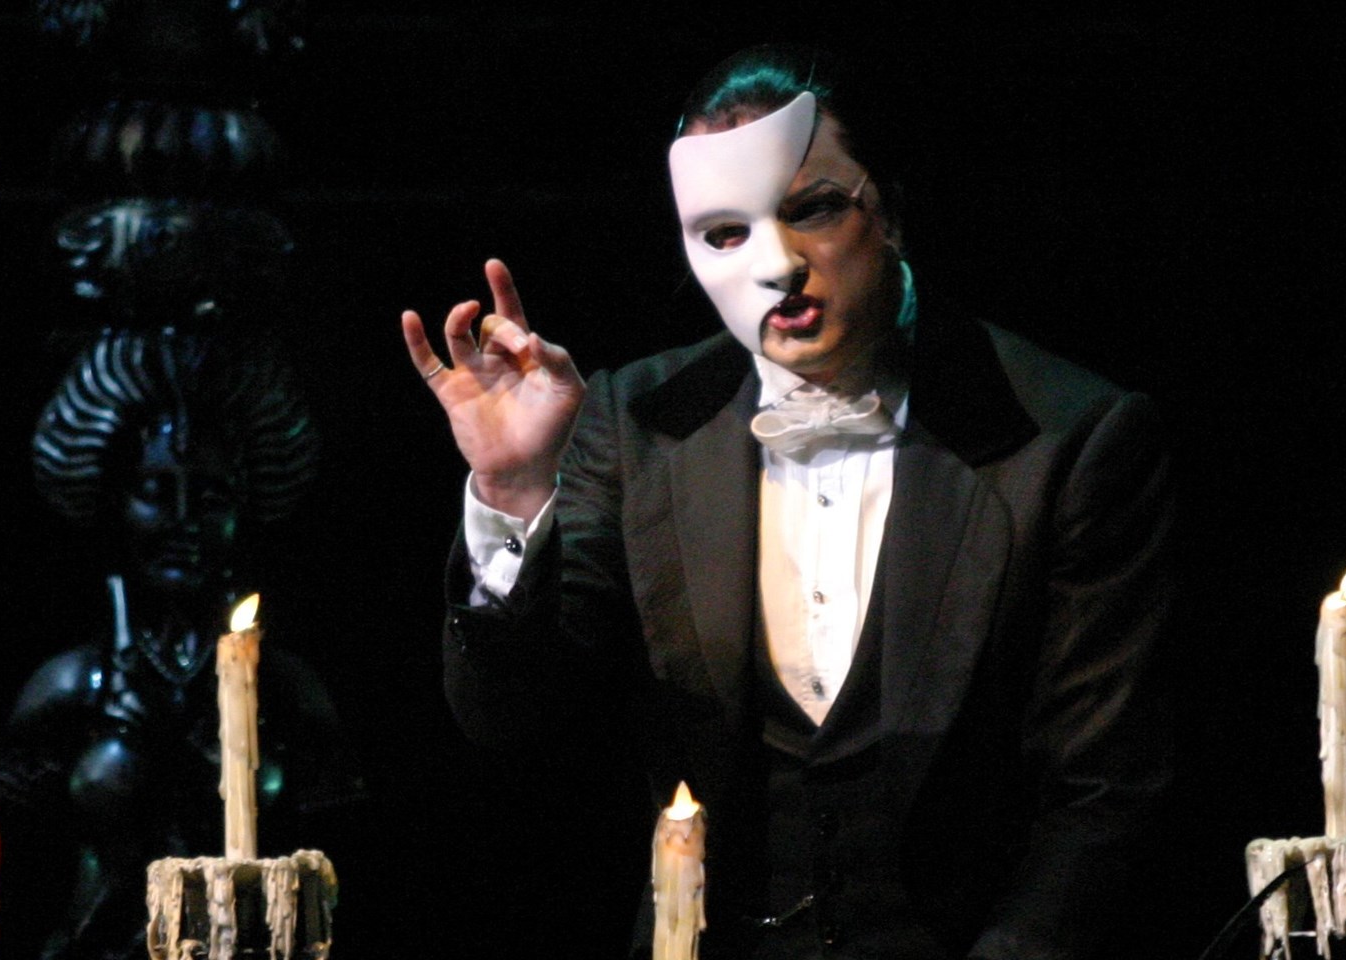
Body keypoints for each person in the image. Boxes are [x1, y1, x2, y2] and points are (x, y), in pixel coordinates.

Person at [398, 45, 1171, 960]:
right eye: (726, 233)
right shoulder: (640, 421)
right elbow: (517, 725)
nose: (778, 264)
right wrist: (514, 489)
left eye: (813, 210)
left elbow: (1103, 792)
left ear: (889, 211)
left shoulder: (1067, 437)